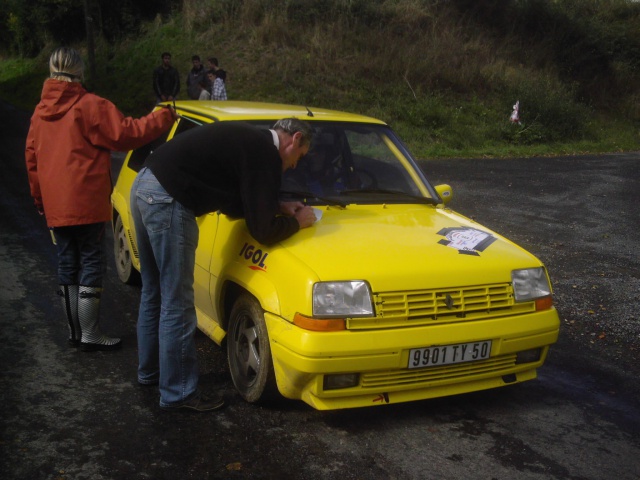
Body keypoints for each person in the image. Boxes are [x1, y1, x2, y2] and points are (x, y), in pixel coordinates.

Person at [130, 118, 317, 411]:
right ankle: (177, 393)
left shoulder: (249, 140)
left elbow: (236, 201)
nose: (294, 165)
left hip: (144, 185)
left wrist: (278, 206)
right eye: (299, 157)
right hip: (168, 198)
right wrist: (297, 222)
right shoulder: (265, 153)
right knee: (177, 302)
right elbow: (263, 231)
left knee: (154, 291)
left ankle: (151, 372)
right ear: (294, 140)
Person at [25, 47, 176, 352]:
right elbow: (126, 134)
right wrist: (162, 117)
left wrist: (41, 202)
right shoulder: (89, 105)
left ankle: (74, 332)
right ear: (79, 71)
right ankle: (90, 333)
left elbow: (32, 160)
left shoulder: (39, 112)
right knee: (92, 261)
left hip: (56, 205)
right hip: (87, 202)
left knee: (67, 263)